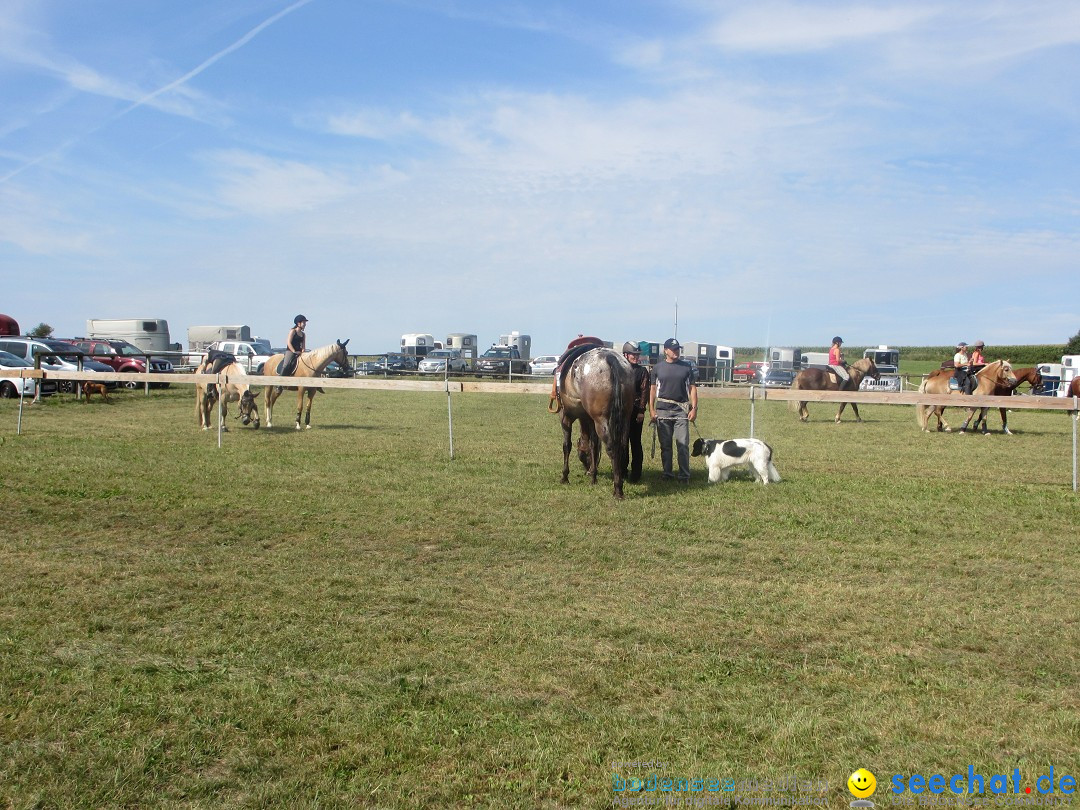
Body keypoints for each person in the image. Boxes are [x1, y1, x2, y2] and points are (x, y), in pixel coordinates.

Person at [649, 338, 698, 483]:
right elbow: (652, 390)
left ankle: (684, 476)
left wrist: (694, 408)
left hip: (681, 412)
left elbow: (692, 388)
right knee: (665, 446)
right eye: (673, 349)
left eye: (678, 349)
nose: (676, 351)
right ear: (666, 350)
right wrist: (651, 409)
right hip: (662, 411)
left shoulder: (686, 367)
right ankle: (667, 473)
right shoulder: (657, 368)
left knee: (683, 445)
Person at [621, 341, 651, 484]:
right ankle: (622, 470)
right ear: (626, 355)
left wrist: (641, 411)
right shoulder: (619, 370)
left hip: (635, 411)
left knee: (635, 442)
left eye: (637, 354)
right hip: (621, 412)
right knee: (622, 442)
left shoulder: (642, 371)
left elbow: (645, 391)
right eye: (633, 354)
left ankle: (636, 473)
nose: (636, 357)